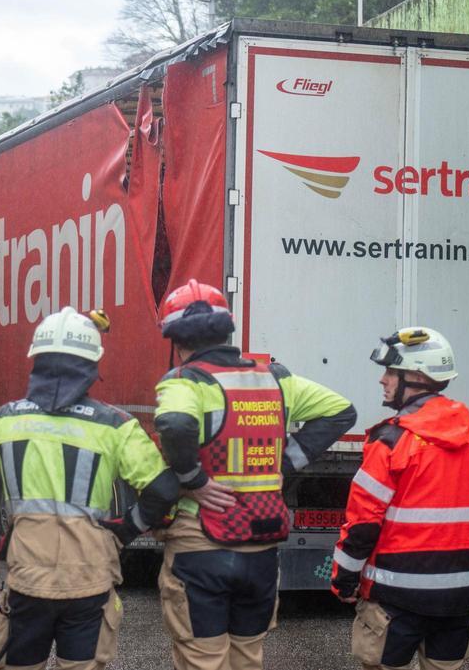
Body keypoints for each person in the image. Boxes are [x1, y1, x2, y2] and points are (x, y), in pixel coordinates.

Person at [0, 307, 180, 670]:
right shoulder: (115, 425)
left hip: (26, 583)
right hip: (89, 582)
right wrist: (124, 531)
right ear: (91, 366)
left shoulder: (3, 421)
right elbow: (162, 490)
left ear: (36, 360)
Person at [153, 279, 357, 670]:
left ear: (175, 340)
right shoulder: (275, 378)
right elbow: (340, 411)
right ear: (227, 330)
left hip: (202, 545)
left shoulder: (186, 382)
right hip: (261, 547)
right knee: (247, 657)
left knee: (203, 659)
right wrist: (282, 462)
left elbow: (175, 424)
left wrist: (194, 480)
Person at [332, 327, 469, 670]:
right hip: (456, 601)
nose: (383, 380)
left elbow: (362, 525)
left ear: (416, 377)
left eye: (391, 371)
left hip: (393, 600)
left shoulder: (390, 441)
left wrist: (344, 580)